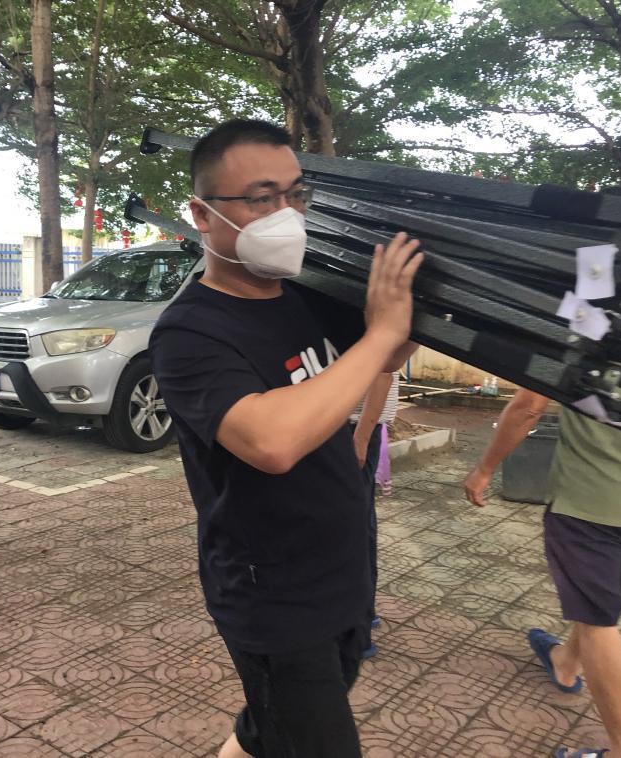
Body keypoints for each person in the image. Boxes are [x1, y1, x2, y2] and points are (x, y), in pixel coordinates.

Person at [150, 119, 421, 758]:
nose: (286, 214)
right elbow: (271, 442)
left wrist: (409, 307)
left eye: (295, 194)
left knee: (270, 727)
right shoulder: (189, 333)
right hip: (272, 597)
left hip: (343, 572)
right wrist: (382, 334)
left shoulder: (307, 297)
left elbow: (386, 353)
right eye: (261, 198)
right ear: (202, 214)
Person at [463, 303, 621, 758]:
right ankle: (564, 663)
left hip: (588, 493)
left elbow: (530, 404)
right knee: (598, 601)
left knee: (599, 622)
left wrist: (484, 469)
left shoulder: (591, 292)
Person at [350, 370, 400, 658]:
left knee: (350, 531)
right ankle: (363, 615)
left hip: (352, 428)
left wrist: (360, 437)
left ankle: (357, 631)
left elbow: (383, 371)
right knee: (359, 525)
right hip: (355, 426)